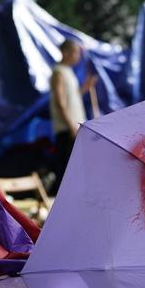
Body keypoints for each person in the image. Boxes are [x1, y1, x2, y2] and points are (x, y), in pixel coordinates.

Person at [49, 39, 97, 192]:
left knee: (76, 167)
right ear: (65, 52)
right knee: (66, 169)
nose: (78, 56)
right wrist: (71, 125)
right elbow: (60, 102)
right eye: (76, 52)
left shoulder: (69, 72)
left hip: (74, 127)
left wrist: (85, 88)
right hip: (67, 129)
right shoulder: (59, 72)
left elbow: (71, 97)